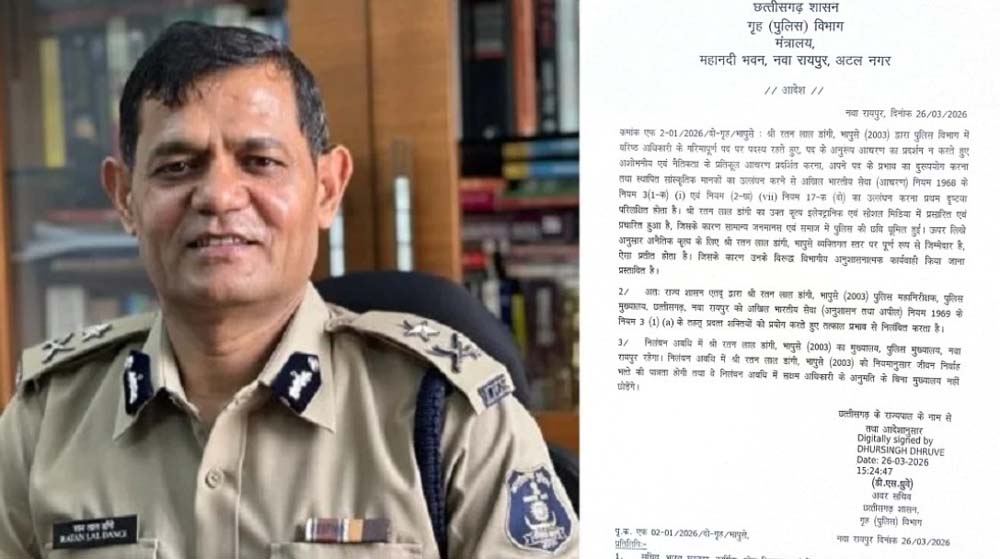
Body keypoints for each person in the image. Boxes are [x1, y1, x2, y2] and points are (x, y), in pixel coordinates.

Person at [0, 21, 578, 558]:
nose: (218, 196)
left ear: (327, 188)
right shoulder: (44, 424)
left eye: (259, 161)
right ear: (125, 197)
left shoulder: (449, 417)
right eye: (177, 167)